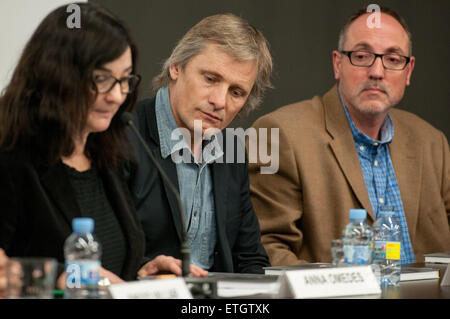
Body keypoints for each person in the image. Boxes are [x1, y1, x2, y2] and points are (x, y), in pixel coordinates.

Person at [249, 6, 450, 266]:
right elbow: (266, 249)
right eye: (362, 56)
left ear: (408, 71)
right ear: (337, 63)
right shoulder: (279, 133)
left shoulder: (432, 142)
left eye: (393, 59)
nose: (377, 72)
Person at [0, 2, 159, 286]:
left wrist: (140, 270)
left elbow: (103, 265)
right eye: (102, 79)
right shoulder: (10, 156)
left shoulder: (108, 155)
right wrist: (61, 277)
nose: (117, 96)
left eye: (124, 80)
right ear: (56, 75)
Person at [127, 13, 273, 276]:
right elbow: (97, 251)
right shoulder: (124, 134)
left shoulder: (231, 149)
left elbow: (250, 258)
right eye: (210, 79)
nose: (220, 101)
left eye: (236, 92)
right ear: (176, 67)